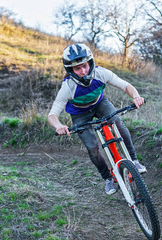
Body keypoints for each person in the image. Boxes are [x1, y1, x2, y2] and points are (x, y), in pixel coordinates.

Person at [48, 43, 147, 195]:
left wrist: (136, 96)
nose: (83, 71)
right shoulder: (68, 87)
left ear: (91, 62)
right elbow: (52, 114)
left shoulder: (101, 73)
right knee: (93, 147)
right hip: (79, 113)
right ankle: (108, 179)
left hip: (100, 103)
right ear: (70, 70)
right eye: (77, 68)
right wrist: (59, 126)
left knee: (118, 124)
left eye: (85, 66)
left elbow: (126, 86)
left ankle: (134, 161)